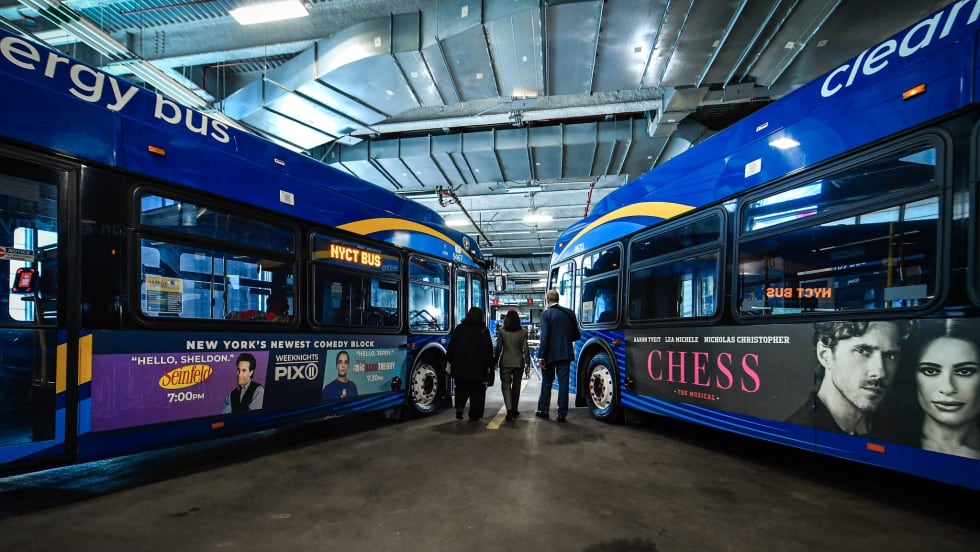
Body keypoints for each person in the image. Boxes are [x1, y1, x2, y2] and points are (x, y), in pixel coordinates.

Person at [785, 320, 912, 436]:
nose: (880, 372)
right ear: (825, 356)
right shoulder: (799, 434)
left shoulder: (863, 432)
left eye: (890, 356)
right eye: (862, 350)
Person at [906, 319, 980, 459]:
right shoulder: (890, 442)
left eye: (965, 372)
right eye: (930, 371)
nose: (947, 388)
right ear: (913, 377)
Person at [536, 289, 580, 423]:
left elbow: (545, 337)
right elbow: (576, 335)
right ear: (558, 299)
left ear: (547, 300)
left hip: (549, 355)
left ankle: (543, 410)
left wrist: (541, 356)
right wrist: (564, 341)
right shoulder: (569, 313)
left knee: (547, 382)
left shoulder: (546, 314)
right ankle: (562, 414)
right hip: (565, 353)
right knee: (563, 383)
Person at [446, 306, 494, 421]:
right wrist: (490, 365)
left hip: (460, 366)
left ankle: (460, 406)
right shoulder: (483, 330)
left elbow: (451, 347)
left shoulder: (459, 328)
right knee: (477, 391)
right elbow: (488, 350)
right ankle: (474, 415)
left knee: (461, 387)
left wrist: (449, 360)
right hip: (478, 367)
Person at [495, 310, 531, 421]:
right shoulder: (523, 332)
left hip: (505, 362)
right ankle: (515, 409)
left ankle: (509, 410)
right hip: (518, 363)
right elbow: (526, 349)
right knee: (516, 386)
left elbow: (498, 348)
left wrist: (495, 361)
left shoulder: (502, 331)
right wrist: (527, 364)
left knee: (506, 386)